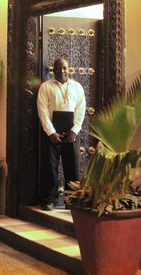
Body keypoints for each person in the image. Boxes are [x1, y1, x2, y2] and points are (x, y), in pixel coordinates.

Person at [36, 57, 86, 211]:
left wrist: (74, 130)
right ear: (53, 70)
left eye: (64, 68)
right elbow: (43, 111)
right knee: (50, 167)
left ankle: (72, 200)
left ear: (68, 69)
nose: (62, 71)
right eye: (58, 68)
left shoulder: (77, 87)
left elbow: (81, 109)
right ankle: (50, 200)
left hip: (71, 134)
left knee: (72, 166)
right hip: (52, 133)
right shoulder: (46, 87)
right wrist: (51, 132)